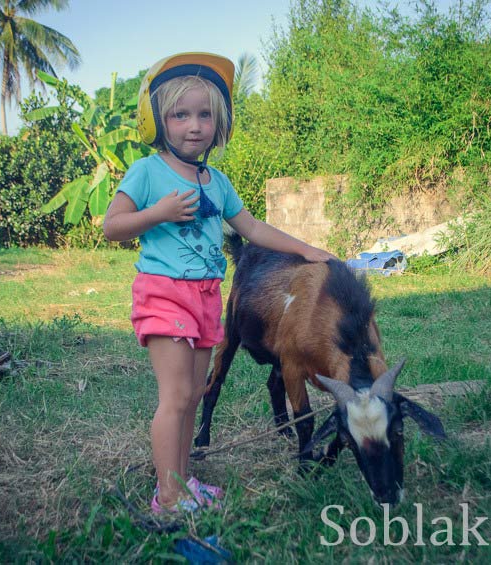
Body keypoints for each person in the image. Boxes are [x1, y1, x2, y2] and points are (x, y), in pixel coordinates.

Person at [103, 53, 336, 513]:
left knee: (193, 395)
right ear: (158, 121)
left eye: (205, 114)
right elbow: (113, 226)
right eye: (180, 114)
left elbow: (252, 229)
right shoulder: (148, 172)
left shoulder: (217, 181)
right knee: (174, 398)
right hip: (165, 293)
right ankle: (168, 496)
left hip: (206, 298)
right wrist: (158, 214)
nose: (194, 125)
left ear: (220, 121)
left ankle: (184, 480)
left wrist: (306, 250)